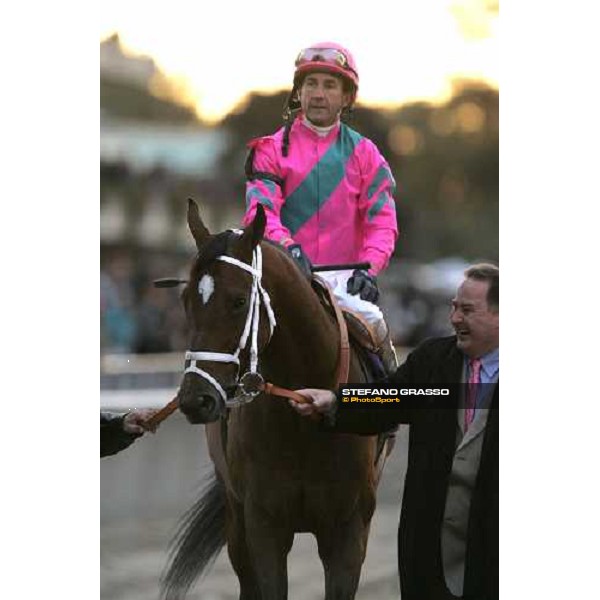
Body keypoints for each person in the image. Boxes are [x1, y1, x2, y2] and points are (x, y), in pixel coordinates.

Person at [290, 263, 499, 600]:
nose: (455, 318)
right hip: (430, 553)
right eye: (454, 307)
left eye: (467, 310)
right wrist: (335, 402)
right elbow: (389, 399)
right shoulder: (434, 363)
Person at [242, 41, 399, 372]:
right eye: (310, 83)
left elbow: (382, 222)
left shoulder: (366, 154)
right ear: (298, 92)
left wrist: (368, 268)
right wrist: (288, 250)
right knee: (232, 334)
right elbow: (261, 212)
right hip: (282, 275)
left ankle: (385, 412)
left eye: (329, 85)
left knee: (377, 329)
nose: (317, 93)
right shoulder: (268, 149)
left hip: (346, 281)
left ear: (346, 97)